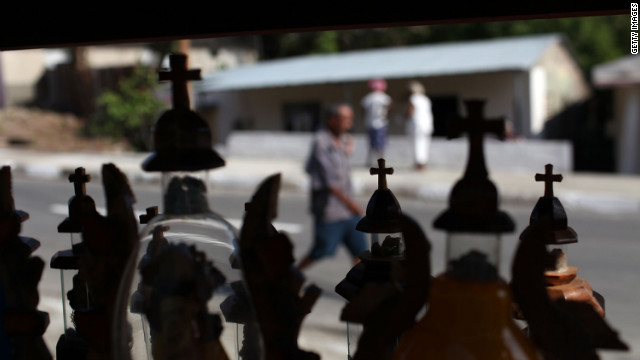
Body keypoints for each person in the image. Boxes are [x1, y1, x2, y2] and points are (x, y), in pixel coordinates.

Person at [297, 103, 367, 271]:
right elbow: (331, 184)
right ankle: (290, 277)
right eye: (344, 119)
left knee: (361, 252)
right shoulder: (321, 142)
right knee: (319, 252)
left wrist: (346, 148)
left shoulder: (342, 140)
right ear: (331, 120)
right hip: (330, 212)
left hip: (348, 212)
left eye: (350, 119)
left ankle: (357, 290)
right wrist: (353, 205)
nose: (349, 123)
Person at [361, 78, 392, 167]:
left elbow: (363, 110)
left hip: (370, 124)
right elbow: (390, 105)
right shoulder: (384, 97)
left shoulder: (368, 98)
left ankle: (372, 162)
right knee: (381, 145)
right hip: (381, 124)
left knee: (372, 144)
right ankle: (380, 162)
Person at [405, 80, 434, 171]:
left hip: (417, 125)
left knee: (417, 144)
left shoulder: (413, 98)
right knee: (424, 144)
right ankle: (423, 163)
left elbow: (411, 111)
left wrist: (405, 117)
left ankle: (419, 164)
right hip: (427, 124)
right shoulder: (426, 99)